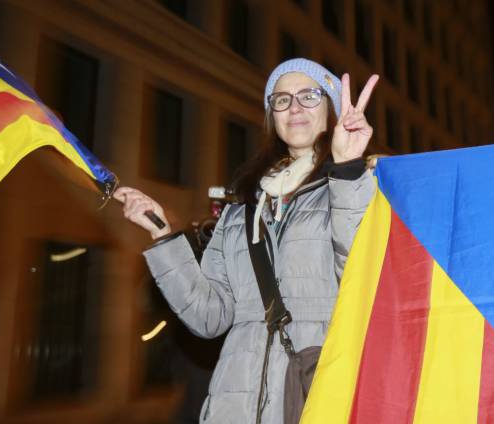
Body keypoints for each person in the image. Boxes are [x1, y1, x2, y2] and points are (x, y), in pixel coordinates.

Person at [115, 58, 379, 423]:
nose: (295, 108)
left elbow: (361, 273)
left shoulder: (353, 187)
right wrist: (163, 235)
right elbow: (209, 316)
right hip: (233, 406)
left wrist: (348, 167)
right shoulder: (241, 209)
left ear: (332, 110)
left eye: (309, 96)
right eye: (282, 100)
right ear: (272, 116)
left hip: (315, 398)